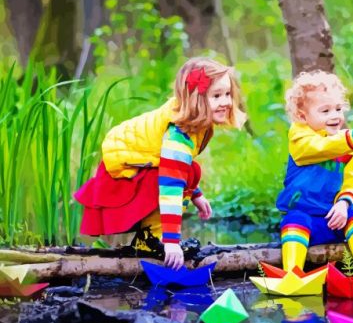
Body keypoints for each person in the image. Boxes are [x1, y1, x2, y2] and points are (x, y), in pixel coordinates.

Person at [75, 57, 245, 269]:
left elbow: (181, 167)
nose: (226, 102)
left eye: (228, 94)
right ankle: (152, 239)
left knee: (190, 170)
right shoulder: (178, 134)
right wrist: (172, 242)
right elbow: (171, 185)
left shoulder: (198, 126)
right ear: (196, 100)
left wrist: (196, 194)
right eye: (216, 96)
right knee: (171, 179)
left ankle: (153, 238)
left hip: (144, 165)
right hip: (124, 171)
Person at [275, 70, 353, 275]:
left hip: (335, 218)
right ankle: (293, 274)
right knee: (294, 220)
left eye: (338, 109)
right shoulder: (299, 137)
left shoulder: (345, 145)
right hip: (306, 219)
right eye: (325, 111)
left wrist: (343, 203)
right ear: (302, 116)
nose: (335, 116)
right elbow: (321, 147)